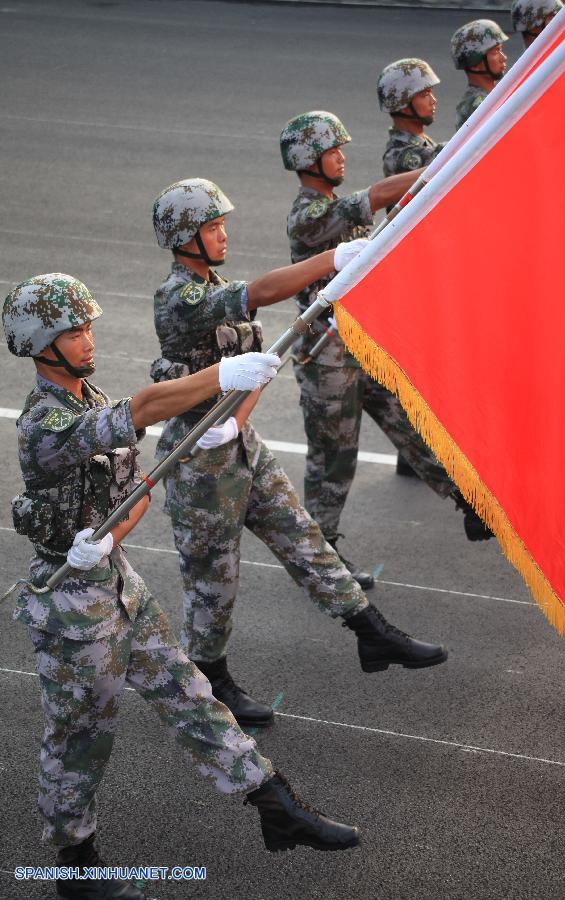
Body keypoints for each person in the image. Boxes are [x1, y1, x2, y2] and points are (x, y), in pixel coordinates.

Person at [2, 274, 364, 899]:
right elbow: (143, 410)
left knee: (187, 690)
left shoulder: (88, 398)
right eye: (72, 331)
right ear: (40, 344)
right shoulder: (44, 424)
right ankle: (73, 867)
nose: (88, 339)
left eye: (87, 327)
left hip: (115, 582)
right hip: (70, 605)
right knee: (80, 736)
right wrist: (221, 378)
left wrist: (110, 540)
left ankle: (274, 803)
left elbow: (136, 491)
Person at [151, 177, 448, 729]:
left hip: (237, 445)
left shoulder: (214, 283)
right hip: (197, 460)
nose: (223, 234)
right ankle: (210, 682)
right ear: (185, 238)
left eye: (221, 225)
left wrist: (237, 424)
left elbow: (256, 366)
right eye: (212, 227)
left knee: (306, 541)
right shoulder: (178, 298)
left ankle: (372, 634)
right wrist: (331, 257)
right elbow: (260, 293)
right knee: (214, 582)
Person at [281, 110, 493, 559]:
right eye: (331, 151)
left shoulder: (333, 209)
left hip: (360, 344)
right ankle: (325, 557)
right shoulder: (308, 215)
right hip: (326, 360)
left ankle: (469, 503)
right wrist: (447, 162)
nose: (341, 158)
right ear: (308, 160)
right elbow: (376, 195)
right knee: (334, 460)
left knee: (415, 423)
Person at [377, 58, 448, 477]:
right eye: (424, 93)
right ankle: (417, 457)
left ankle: (413, 457)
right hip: (419, 273)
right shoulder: (407, 156)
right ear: (403, 103)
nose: (432, 99)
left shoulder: (419, 147)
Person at [451, 20, 509, 130]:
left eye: (500, 50)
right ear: (474, 64)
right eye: (495, 52)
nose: (503, 58)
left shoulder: (491, 97)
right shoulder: (479, 106)